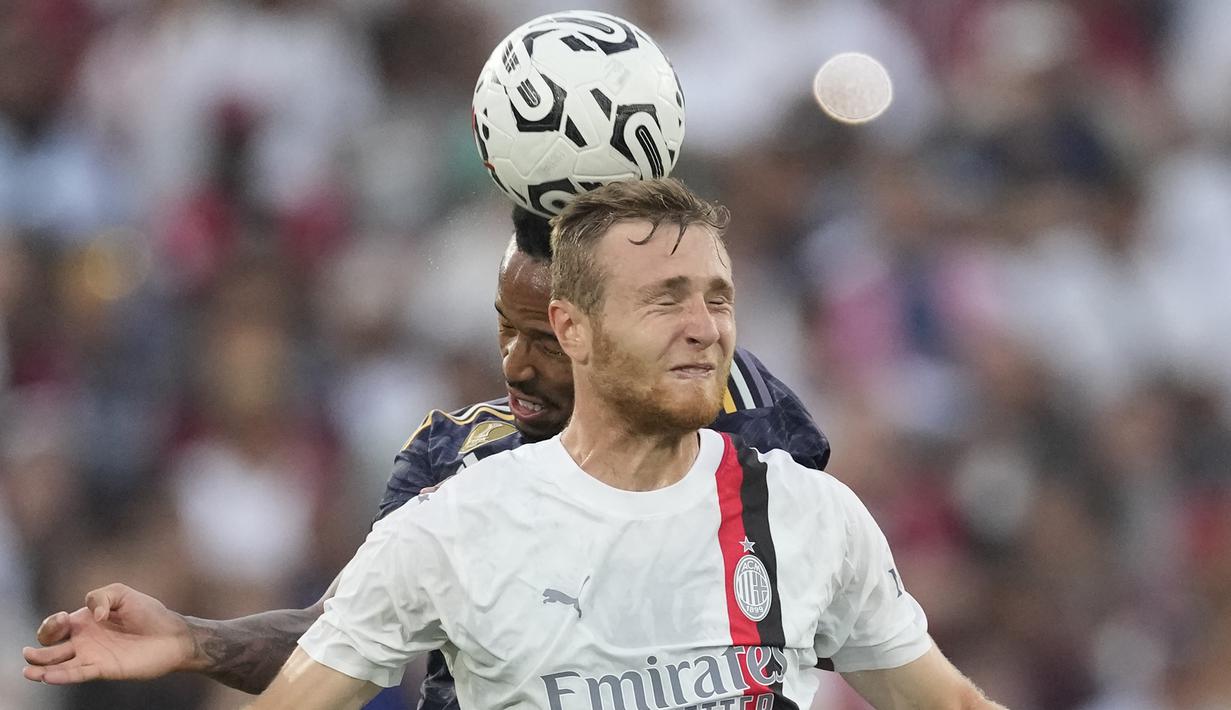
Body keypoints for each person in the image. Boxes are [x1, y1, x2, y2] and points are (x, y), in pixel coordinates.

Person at [22, 205, 832, 709]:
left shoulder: (726, 422)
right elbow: (336, 637)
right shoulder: (453, 460)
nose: (515, 364)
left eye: (544, 340)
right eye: (504, 330)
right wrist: (191, 639)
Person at [245, 178, 1005, 709]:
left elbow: (949, 703)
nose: (703, 327)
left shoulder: (807, 512)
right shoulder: (452, 526)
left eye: (717, 298)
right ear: (571, 328)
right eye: (663, 300)